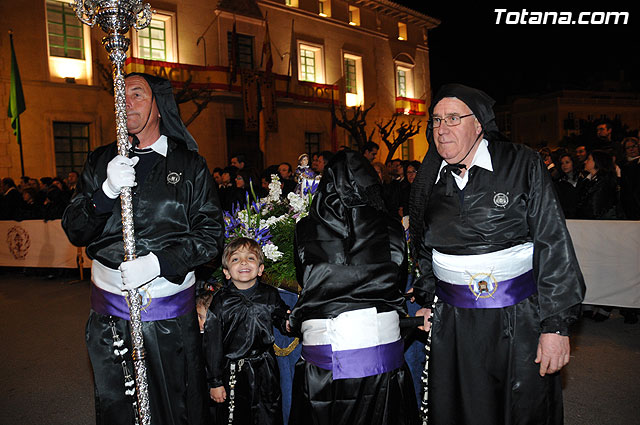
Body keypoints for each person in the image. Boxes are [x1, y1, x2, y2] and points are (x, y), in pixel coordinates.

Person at [409, 84, 585, 425]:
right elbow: (423, 245)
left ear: (479, 124)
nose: (441, 128)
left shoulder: (522, 164)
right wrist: (428, 297)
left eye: (452, 118)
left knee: (520, 410)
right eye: (435, 120)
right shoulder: (428, 180)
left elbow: (553, 243)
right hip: (452, 323)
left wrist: (556, 326)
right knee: (459, 409)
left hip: (518, 320)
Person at [62, 72, 224, 425]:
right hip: (110, 315)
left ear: (159, 105)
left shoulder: (189, 165)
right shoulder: (100, 161)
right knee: (118, 405)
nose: (126, 102)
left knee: (173, 406)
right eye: (120, 95)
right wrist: (103, 193)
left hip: (169, 317)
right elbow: (74, 229)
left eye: (136, 94)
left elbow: (211, 236)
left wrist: (159, 262)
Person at [289, 150, 419, 425]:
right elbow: (397, 280)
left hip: (325, 356)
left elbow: (306, 279)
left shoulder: (305, 229)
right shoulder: (392, 229)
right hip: (380, 352)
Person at [203, 237, 290, 425]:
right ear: (226, 272)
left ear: (260, 269)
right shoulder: (220, 301)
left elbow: (282, 319)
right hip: (233, 372)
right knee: (235, 417)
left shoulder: (270, 294)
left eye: (250, 258)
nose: (243, 262)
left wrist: (290, 323)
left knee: (268, 414)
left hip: (265, 370)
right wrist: (215, 382)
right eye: (235, 259)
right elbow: (212, 344)